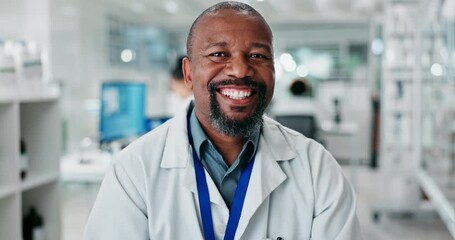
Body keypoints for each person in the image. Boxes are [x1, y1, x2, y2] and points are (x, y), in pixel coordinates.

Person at [84, 1, 362, 240]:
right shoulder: (134, 171)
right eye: (219, 54)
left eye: (258, 55)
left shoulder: (317, 170)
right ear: (189, 73)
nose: (240, 69)